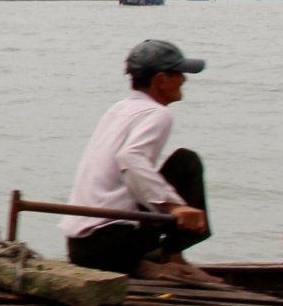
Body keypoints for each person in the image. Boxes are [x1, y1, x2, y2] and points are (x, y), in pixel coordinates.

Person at [61, 39, 220, 285]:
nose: (184, 80)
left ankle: (156, 257)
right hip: (109, 246)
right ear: (160, 80)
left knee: (177, 165)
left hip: (80, 247)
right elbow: (130, 157)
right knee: (187, 162)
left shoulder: (120, 108)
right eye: (178, 74)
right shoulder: (158, 113)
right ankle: (173, 256)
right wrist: (173, 207)